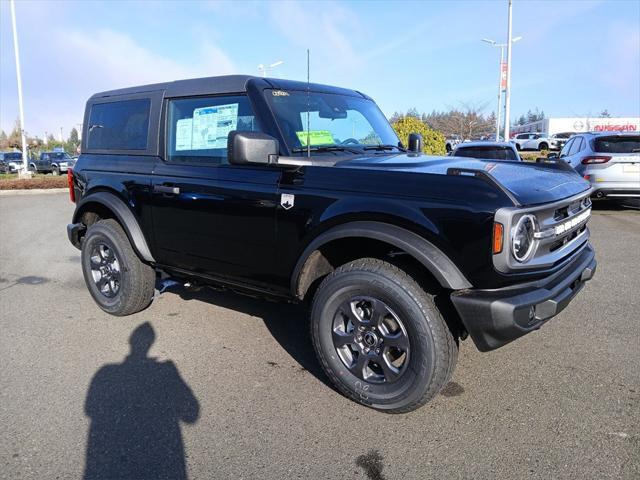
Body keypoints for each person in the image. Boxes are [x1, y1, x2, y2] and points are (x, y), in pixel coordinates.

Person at [84, 322, 199, 480]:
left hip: (106, 453)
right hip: (165, 454)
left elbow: (89, 409)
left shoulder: (106, 371)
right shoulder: (167, 369)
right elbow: (191, 415)